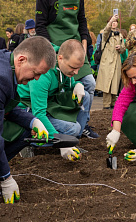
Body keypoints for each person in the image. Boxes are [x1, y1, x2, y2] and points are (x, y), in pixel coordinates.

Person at [0, 36, 56, 210]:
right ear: (21, 60)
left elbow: (4, 105)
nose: (37, 79)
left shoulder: (7, 63)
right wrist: (6, 178)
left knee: (23, 131)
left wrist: (33, 122)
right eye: (36, 73)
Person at [36, 0, 99, 139]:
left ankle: (82, 125)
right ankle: (57, 123)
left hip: (75, 46)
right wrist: (51, 51)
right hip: (54, 45)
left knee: (89, 84)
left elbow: (82, 19)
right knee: (55, 88)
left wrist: (84, 42)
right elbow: (39, 25)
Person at [18, 39, 89, 161]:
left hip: (49, 101)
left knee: (85, 96)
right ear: (60, 58)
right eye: (73, 67)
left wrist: (78, 85)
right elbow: (39, 113)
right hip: (27, 107)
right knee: (73, 128)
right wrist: (61, 142)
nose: (76, 72)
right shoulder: (43, 74)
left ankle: (73, 141)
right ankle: (28, 142)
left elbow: (69, 86)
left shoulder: (64, 67)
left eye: (79, 68)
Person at [95, 15, 126, 109]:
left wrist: (120, 48)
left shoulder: (119, 34)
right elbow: (106, 31)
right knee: (106, 83)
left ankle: (113, 103)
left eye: (116, 21)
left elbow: (124, 48)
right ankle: (106, 104)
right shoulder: (106, 33)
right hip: (107, 61)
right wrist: (110, 21)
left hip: (116, 61)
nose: (114, 23)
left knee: (114, 83)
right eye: (112, 21)